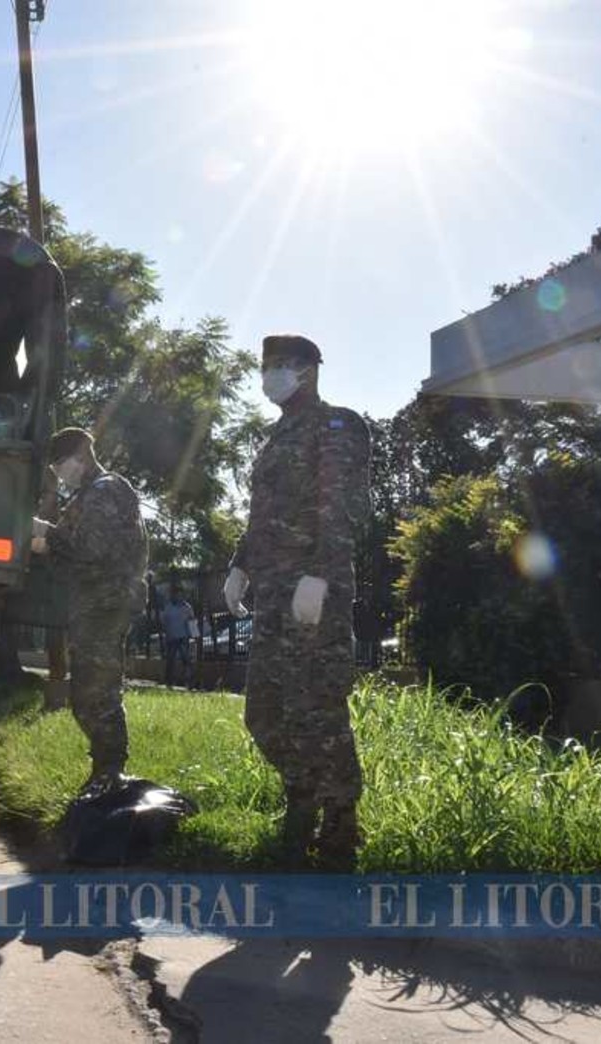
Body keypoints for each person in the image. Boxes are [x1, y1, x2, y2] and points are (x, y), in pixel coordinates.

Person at [225, 334, 370, 869]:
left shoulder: (338, 425)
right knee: (264, 713)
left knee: (318, 710)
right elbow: (261, 513)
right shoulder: (276, 435)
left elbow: (342, 505)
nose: (268, 377)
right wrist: (241, 565)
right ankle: (302, 796)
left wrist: (321, 575)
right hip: (271, 591)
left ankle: (339, 827)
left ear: (306, 370)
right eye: (265, 367)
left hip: (314, 591)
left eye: (277, 367)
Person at [29, 427, 148, 792]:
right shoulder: (86, 495)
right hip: (93, 603)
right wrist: (47, 543)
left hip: (107, 603)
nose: (58, 472)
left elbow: (93, 547)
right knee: (86, 694)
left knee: (98, 693)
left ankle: (110, 773)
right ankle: (104, 772)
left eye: (59, 464)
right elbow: (75, 552)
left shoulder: (104, 490)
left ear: (78, 458)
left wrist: (46, 533)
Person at [161, 588, 196, 687]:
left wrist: (195, 635)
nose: (179, 597)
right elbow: (164, 621)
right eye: (177, 595)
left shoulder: (187, 607)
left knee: (186, 660)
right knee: (170, 660)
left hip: (183, 637)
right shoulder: (169, 607)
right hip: (171, 637)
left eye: (181, 595)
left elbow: (192, 621)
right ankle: (169, 681)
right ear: (174, 596)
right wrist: (166, 632)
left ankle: (189, 682)